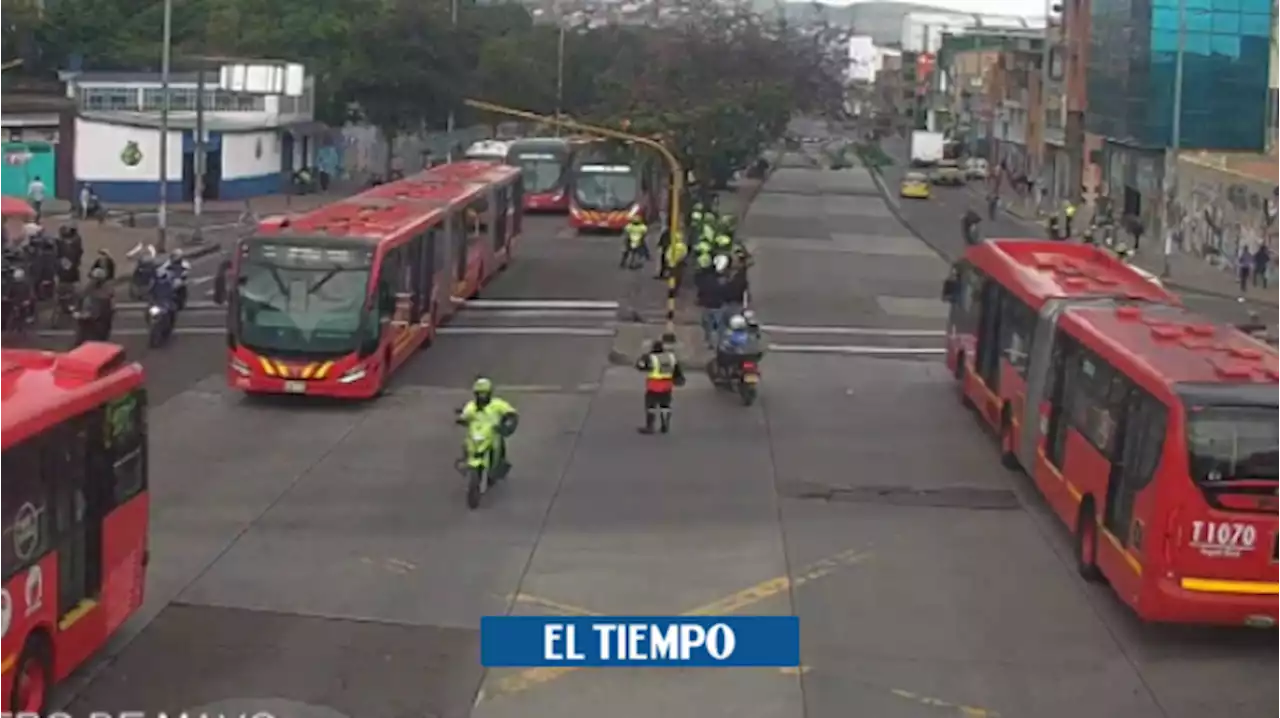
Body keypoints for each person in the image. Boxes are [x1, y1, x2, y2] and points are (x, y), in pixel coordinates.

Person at [457, 378, 519, 475]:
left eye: (484, 394)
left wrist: (509, 419)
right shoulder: (471, 406)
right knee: (466, 444)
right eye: (480, 393)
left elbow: (510, 411)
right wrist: (462, 419)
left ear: (489, 393)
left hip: (493, 432)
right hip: (476, 432)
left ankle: (499, 463)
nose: (482, 397)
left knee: (499, 443)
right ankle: (466, 460)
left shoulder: (497, 404)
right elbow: (465, 414)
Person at [634, 339, 684, 434]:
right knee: (665, 405)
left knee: (650, 406)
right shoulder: (671, 357)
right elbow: (677, 370)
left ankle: (650, 426)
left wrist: (643, 359)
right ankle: (665, 425)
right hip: (667, 386)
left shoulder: (651, 357)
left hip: (654, 385)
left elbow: (640, 366)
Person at [76, 267, 114, 343]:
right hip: (98, 328)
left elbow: (94, 314)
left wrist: (82, 316)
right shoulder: (106, 292)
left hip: (94, 329)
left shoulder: (99, 295)